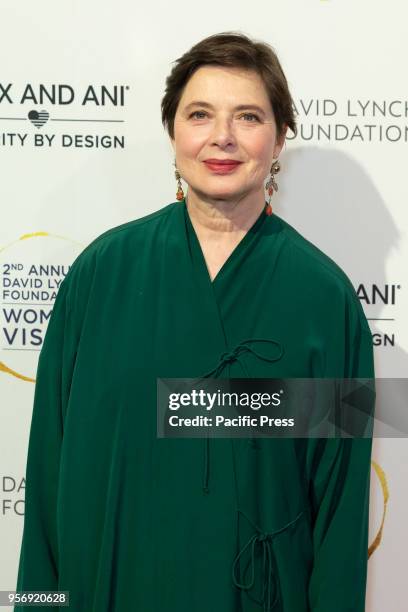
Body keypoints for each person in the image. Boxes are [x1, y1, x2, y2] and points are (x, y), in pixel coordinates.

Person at [15, 31, 374, 611]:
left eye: (249, 116)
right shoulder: (99, 274)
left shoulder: (329, 302)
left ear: (281, 137)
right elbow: (50, 474)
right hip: (108, 589)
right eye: (200, 114)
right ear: (173, 131)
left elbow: (341, 507)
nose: (222, 137)